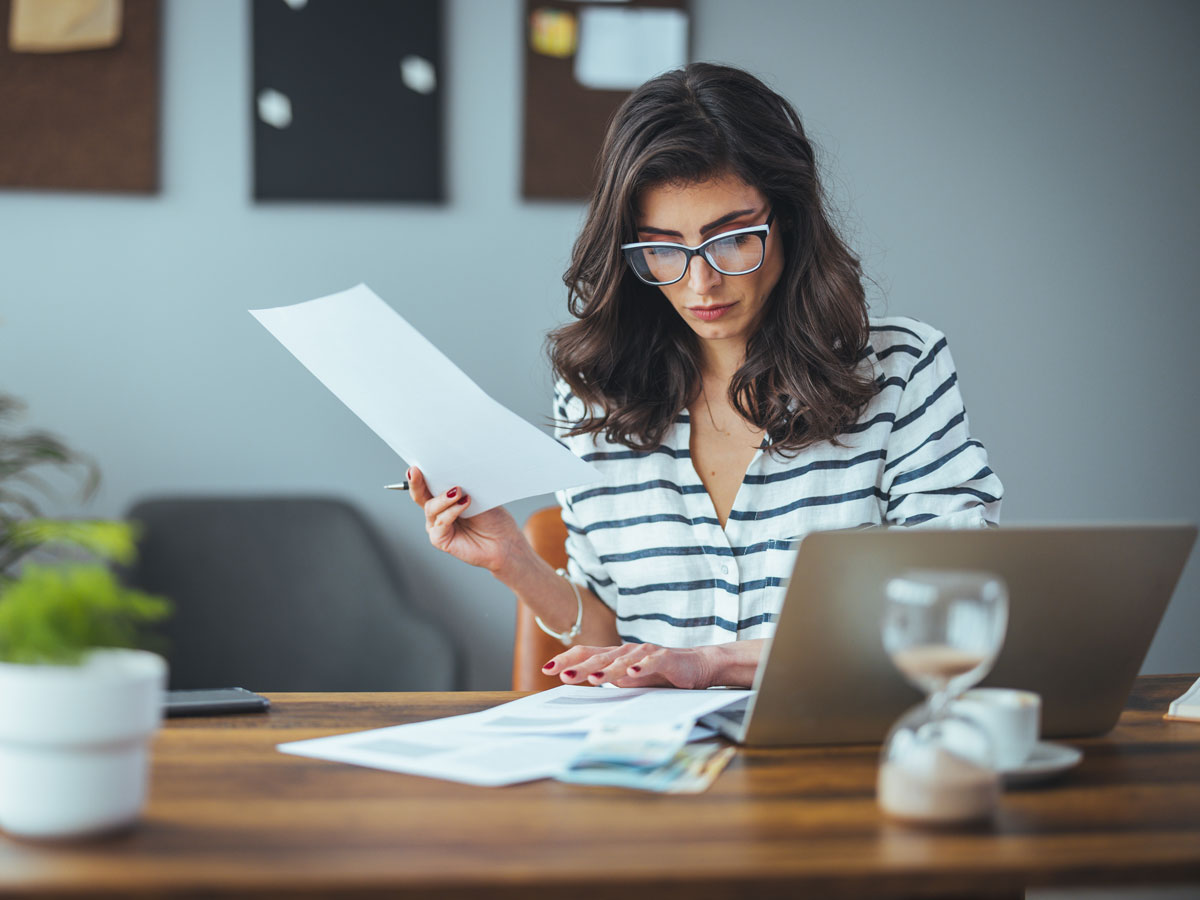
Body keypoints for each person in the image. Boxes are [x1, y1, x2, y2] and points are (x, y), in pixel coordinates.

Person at [408, 63, 1002, 689]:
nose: (700, 284)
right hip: (654, 768)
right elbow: (610, 643)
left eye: (733, 239)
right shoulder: (593, 397)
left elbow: (951, 612)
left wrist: (712, 662)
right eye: (661, 247)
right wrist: (514, 562)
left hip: (837, 756)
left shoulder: (901, 368)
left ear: (789, 221)